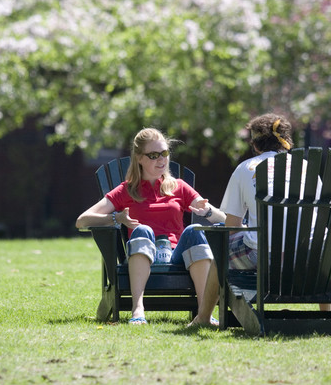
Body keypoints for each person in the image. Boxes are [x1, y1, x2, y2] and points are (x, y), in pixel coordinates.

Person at [188, 113, 327, 327]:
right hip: (309, 258)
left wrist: (249, 229)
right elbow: (319, 214)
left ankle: (204, 318)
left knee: (220, 250)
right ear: (286, 139)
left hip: (262, 258)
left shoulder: (246, 168)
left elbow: (231, 227)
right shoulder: (306, 168)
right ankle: (326, 313)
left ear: (255, 144)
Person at [75, 128, 226, 325]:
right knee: (143, 229)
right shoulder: (126, 190)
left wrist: (206, 212)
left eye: (164, 153)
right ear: (139, 158)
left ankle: (203, 314)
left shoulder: (179, 186)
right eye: (153, 155)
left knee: (193, 231)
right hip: (142, 254)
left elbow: (222, 218)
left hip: (177, 255)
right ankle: (138, 309)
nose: (161, 159)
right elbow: (82, 220)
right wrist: (116, 218)